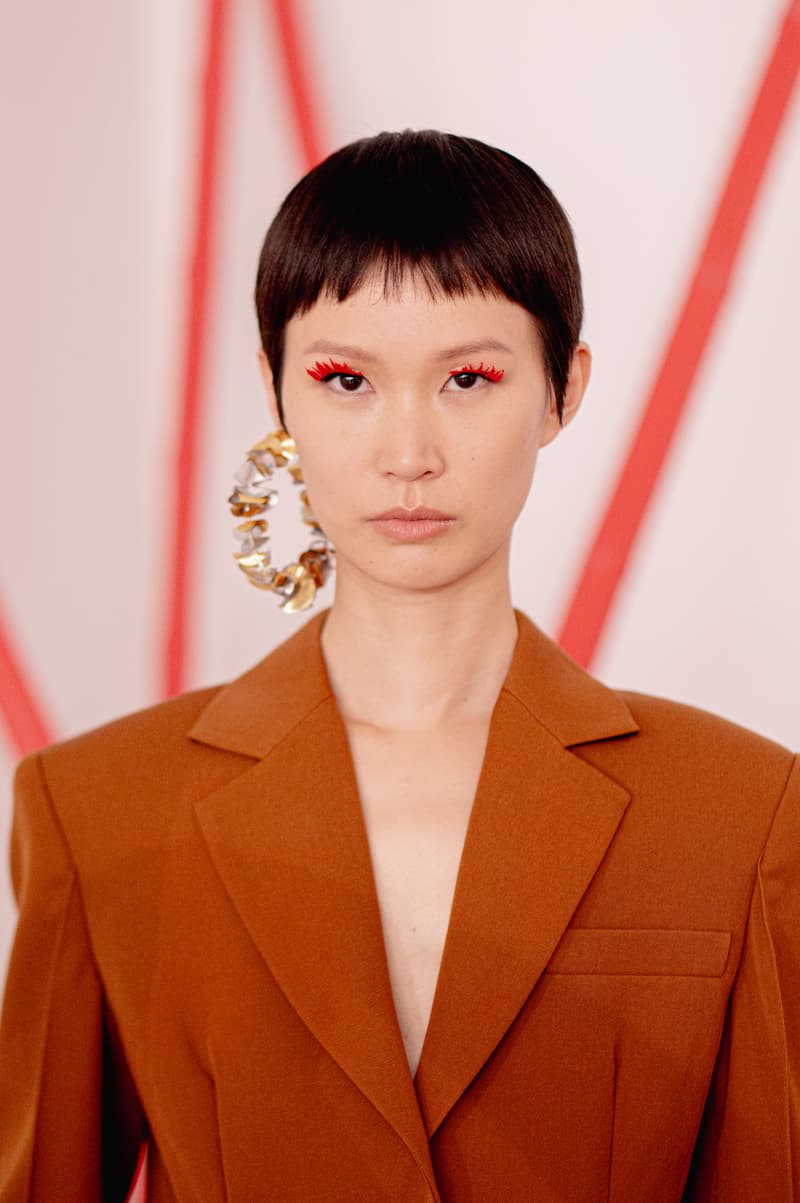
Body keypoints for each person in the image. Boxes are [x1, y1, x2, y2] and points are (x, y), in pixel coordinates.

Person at [0, 128, 797, 1203]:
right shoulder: (98, 812)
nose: (407, 453)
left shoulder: (738, 812)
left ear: (563, 390)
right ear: (275, 391)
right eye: (345, 380)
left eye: (468, 377)